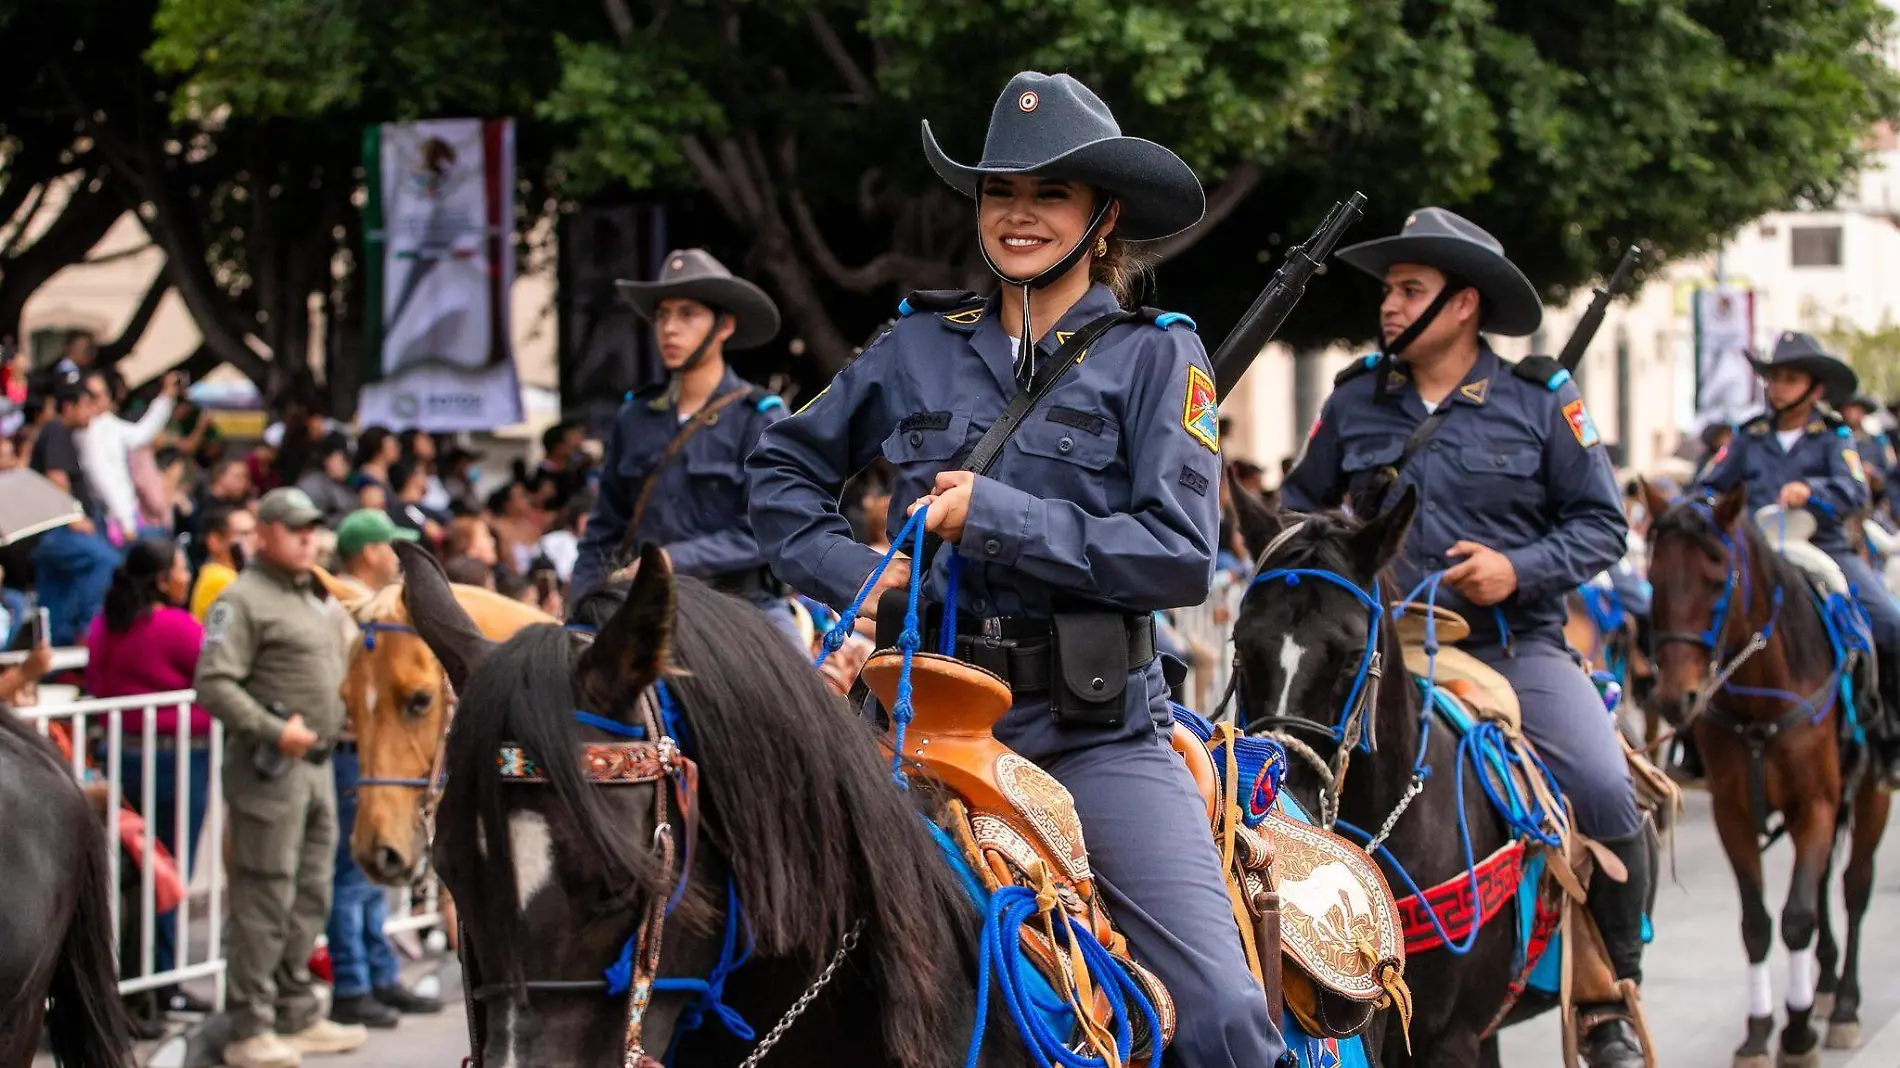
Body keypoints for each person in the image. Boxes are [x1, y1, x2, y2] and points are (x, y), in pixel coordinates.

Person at [748, 71, 1283, 1068]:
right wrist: (861, 572)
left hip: (1093, 736)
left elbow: (1176, 556)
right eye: (1000, 193)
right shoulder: (912, 344)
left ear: (1102, 216)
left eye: (1049, 194)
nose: (1019, 216)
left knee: (1219, 1015)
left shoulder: (1158, 358)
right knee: (752, 966)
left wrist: (997, 517)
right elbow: (780, 470)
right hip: (908, 724)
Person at [1278, 207, 1646, 1067]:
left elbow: (1603, 525)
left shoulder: (1541, 401)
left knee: (1602, 786)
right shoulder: (1354, 397)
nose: (1391, 306)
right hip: (1378, 656)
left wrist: (1519, 568)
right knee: (1276, 787)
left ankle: (1608, 995)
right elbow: (1298, 508)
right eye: (1390, 291)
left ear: (1464, 303)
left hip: (1511, 648)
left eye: (1411, 290)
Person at [194, 488, 365, 1067]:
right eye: (293, 529)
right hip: (270, 767)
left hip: (315, 765)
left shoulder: (309, 596)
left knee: (310, 890)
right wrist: (271, 729)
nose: (306, 539)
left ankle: (295, 1010)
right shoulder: (241, 600)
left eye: (311, 529)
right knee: (264, 893)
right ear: (262, 533)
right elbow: (214, 683)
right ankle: (250, 1024)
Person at [1699, 333, 1900, 777]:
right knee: (1694, 617)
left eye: (1789, 379)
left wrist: (1813, 492)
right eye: (1772, 378)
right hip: (1753, 555)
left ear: (1816, 388)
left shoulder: (1834, 437)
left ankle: (1885, 732)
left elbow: (1854, 491)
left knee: (1889, 623)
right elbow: (1706, 486)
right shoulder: (1747, 437)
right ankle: (1696, 730)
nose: (1777, 387)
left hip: (1821, 548)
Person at [572, 248, 792, 632]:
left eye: (687, 314)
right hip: (646, 604)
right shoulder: (634, 416)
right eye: (662, 315)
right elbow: (604, 530)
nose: (669, 328)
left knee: (798, 684)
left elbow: (768, 530)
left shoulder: (760, 417)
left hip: (741, 608)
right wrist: (579, 608)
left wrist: (673, 560)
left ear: (724, 326)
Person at [85, 537, 213, 1019]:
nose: (188, 577)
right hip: (175, 762)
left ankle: (139, 980)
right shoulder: (177, 626)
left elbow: (96, 681)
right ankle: (161, 981)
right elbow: (218, 675)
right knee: (167, 868)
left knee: (133, 872)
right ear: (162, 579)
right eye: (183, 567)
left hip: (120, 756)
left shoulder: (105, 624)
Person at [322, 509, 439, 1029]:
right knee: (357, 871)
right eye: (393, 547)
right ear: (370, 552)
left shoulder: (377, 605)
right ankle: (354, 983)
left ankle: (380, 975)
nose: (399, 557)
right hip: (355, 753)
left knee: (374, 873)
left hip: (369, 751)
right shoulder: (347, 608)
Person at [30, 379, 121, 645]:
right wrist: (74, 517)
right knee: (104, 560)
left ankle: (56, 646)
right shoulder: (56, 431)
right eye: (85, 406)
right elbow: (56, 476)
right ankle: (90, 633)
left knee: (57, 589)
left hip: (53, 531)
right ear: (68, 407)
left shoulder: (59, 433)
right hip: (58, 530)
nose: (90, 412)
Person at [80, 370, 184, 544]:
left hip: (126, 515)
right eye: (94, 395)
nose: (102, 399)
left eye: (103, 393)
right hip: (111, 518)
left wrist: (165, 397)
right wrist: (126, 523)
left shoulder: (106, 422)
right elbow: (102, 479)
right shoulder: (87, 431)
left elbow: (141, 434)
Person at [190, 503, 258, 623]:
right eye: (244, 534)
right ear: (215, 541)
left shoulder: (229, 574)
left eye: (255, 532)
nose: (255, 540)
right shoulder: (220, 579)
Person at [295, 435, 359, 529]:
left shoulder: (346, 484)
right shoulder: (312, 484)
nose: (348, 466)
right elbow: (307, 522)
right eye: (343, 459)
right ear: (327, 458)